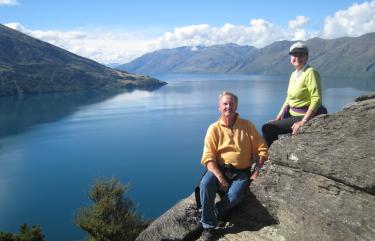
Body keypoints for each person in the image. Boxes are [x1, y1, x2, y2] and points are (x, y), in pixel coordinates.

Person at [198, 91, 268, 241]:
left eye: (231, 104)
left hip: (241, 171)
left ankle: (214, 212)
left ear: (236, 106)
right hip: (220, 168)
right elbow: (208, 157)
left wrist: (257, 169)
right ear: (219, 107)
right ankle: (208, 227)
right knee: (205, 184)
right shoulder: (214, 129)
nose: (228, 106)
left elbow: (262, 148)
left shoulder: (247, 126)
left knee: (235, 196)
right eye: (225, 104)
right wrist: (220, 177)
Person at [262, 42, 327, 147]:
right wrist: (278, 118)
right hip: (293, 115)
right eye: (294, 55)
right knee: (269, 125)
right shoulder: (294, 74)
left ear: (307, 57)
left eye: (301, 55)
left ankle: (273, 156)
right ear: (290, 57)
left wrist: (304, 121)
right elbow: (289, 99)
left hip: (303, 115)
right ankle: (275, 155)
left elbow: (316, 99)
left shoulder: (310, 73)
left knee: (267, 128)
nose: (297, 57)